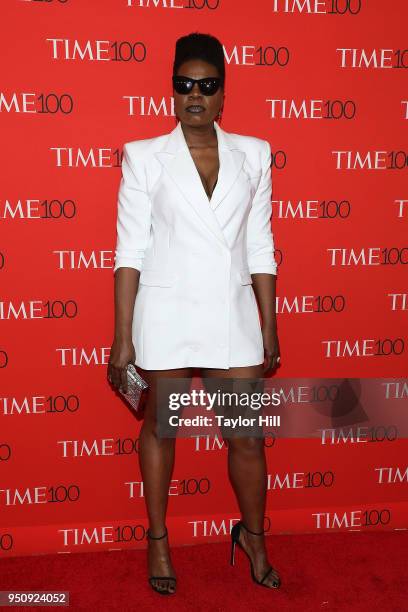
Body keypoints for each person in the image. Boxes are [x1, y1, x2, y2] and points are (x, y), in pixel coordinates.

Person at [108, 31, 281, 595]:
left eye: (207, 85)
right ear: (172, 89)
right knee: (162, 430)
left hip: (231, 314)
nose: (195, 95)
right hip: (165, 314)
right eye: (185, 84)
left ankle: (253, 535)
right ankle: (158, 540)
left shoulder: (254, 153)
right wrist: (123, 336)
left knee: (247, 438)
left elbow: (259, 243)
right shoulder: (143, 156)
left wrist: (269, 324)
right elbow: (129, 251)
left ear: (224, 93)